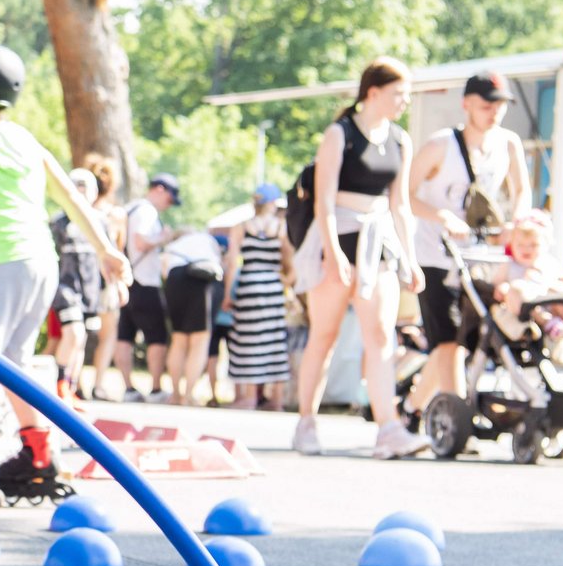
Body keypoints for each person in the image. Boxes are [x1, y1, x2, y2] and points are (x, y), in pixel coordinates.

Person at [0, 45, 130, 507]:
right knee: (15, 362)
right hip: (42, 264)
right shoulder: (28, 143)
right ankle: (38, 453)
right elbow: (75, 202)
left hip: (2, 263)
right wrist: (107, 250)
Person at [290, 57, 432, 459]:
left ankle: (388, 428)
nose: (404, 101)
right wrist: (333, 253)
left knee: (381, 336)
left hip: (378, 242)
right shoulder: (340, 134)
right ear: (373, 92)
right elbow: (324, 199)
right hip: (336, 239)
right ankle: (306, 421)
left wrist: (409, 259)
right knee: (325, 334)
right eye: (397, 93)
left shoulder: (400, 140)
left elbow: (400, 205)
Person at [403, 71, 530, 425]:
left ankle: (413, 409)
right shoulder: (441, 145)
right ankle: (458, 417)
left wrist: (515, 223)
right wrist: (441, 216)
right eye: (488, 104)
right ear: (467, 104)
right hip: (434, 254)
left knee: (464, 342)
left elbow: (521, 190)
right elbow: (403, 195)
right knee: (446, 341)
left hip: (478, 259)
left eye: (500, 105)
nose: (495, 112)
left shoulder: (508, 143)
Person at [224, 184, 293, 410]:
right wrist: (285, 282)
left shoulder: (242, 227)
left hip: (250, 284)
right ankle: (277, 400)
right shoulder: (281, 227)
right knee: (274, 340)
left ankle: (250, 397)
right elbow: (290, 263)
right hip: (273, 287)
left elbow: (232, 263)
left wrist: (227, 294)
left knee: (248, 340)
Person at [114, 174, 180, 403]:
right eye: (170, 199)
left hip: (128, 280)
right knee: (157, 337)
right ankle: (155, 388)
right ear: (160, 190)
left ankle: (129, 388)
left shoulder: (130, 208)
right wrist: (163, 238)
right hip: (144, 281)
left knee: (125, 335)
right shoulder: (146, 211)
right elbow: (141, 241)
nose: (168, 206)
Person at [48, 167, 104, 408]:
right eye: (76, 188)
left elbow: (107, 256)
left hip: (89, 290)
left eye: (86, 189)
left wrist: (114, 285)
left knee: (81, 342)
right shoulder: (58, 224)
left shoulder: (99, 222)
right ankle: (59, 383)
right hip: (65, 288)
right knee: (74, 333)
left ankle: (71, 386)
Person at [489, 210, 563, 342]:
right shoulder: (509, 265)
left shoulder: (547, 263)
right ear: (511, 244)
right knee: (517, 290)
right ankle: (550, 324)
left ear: (545, 245)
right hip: (529, 309)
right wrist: (503, 287)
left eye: (533, 245)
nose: (526, 249)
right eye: (520, 245)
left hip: (552, 303)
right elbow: (499, 283)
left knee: (562, 289)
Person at [159, 224, 225, 405]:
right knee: (199, 341)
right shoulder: (206, 239)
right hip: (202, 278)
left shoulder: (172, 247)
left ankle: (175, 394)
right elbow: (220, 264)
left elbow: (164, 272)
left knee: (179, 339)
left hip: (175, 279)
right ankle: (188, 394)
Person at [81, 154, 126, 401]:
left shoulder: (81, 211)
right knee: (107, 334)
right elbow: (118, 252)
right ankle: (98, 384)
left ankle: (73, 383)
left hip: (83, 277)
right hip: (105, 279)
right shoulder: (115, 214)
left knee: (77, 333)